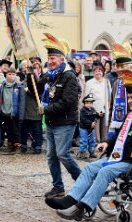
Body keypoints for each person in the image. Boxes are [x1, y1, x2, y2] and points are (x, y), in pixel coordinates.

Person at [45, 70, 132, 221]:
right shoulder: (131, 115)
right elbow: (119, 136)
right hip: (119, 158)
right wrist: (106, 142)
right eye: (128, 97)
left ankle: (82, 207)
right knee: (90, 167)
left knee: (105, 171)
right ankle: (70, 200)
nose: (130, 101)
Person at [28, 33, 81, 198]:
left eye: (54, 58)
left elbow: (68, 102)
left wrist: (46, 110)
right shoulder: (49, 75)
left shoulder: (69, 76)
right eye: (49, 58)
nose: (50, 61)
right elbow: (35, 89)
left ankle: (82, 181)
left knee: (62, 154)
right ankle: (58, 187)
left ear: (61, 59)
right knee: (51, 156)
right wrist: (30, 75)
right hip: (51, 122)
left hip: (65, 123)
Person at [108, 43, 132, 138]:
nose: (119, 69)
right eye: (117, 66)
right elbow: (112, 107)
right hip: (117, 127)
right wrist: (110, 126)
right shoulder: (116, 83)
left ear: (130, 67)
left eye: (122, 66)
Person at [0, 67, 25, 152]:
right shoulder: (3, 85)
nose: (11, 76)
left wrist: (21, 113)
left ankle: (18, 146)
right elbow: (0, 97)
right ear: (6, 75)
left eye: (13, 74)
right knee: (8, 130)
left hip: (14, 112)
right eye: (9, 74)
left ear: (15, 75)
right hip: (5, 111)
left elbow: (22, 100)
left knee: (15, 130)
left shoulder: (19, 86)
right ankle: (12, 145)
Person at [85, 61, 111, 143]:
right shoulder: (89, 83)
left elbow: (109, 94)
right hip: (94, 107)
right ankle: (96, 141)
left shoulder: (106, 82)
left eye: (99, 71)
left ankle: (104, 141)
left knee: (104, 126)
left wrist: (109, 105)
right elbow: (86, 96)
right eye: (96, 71)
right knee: (95, 126)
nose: (98, 73)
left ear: (102, 72)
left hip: (104, 107)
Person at [21, 62, 44, 154]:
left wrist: (29, 91)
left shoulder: (39, 81)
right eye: (33, 68)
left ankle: (38, 146)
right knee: (24, 130)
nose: (36, 69)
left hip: (35, 109)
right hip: (26, 109)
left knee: (37, 130)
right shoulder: (25, 81)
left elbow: (39, 94)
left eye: (37, 68)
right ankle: (24, 145)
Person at [76, 94, 97, 159]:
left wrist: (99, 115)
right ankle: (81, 153)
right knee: (84, 141)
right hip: (84, 128)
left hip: (91, 129)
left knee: (92, 140)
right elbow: (83, 119)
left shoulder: (93, 109)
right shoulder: (83, 110)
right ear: (84, 103)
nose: (89, 104)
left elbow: (95, 115)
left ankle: (92, 152)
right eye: (87, 103)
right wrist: (91, 123)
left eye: (90, 103)